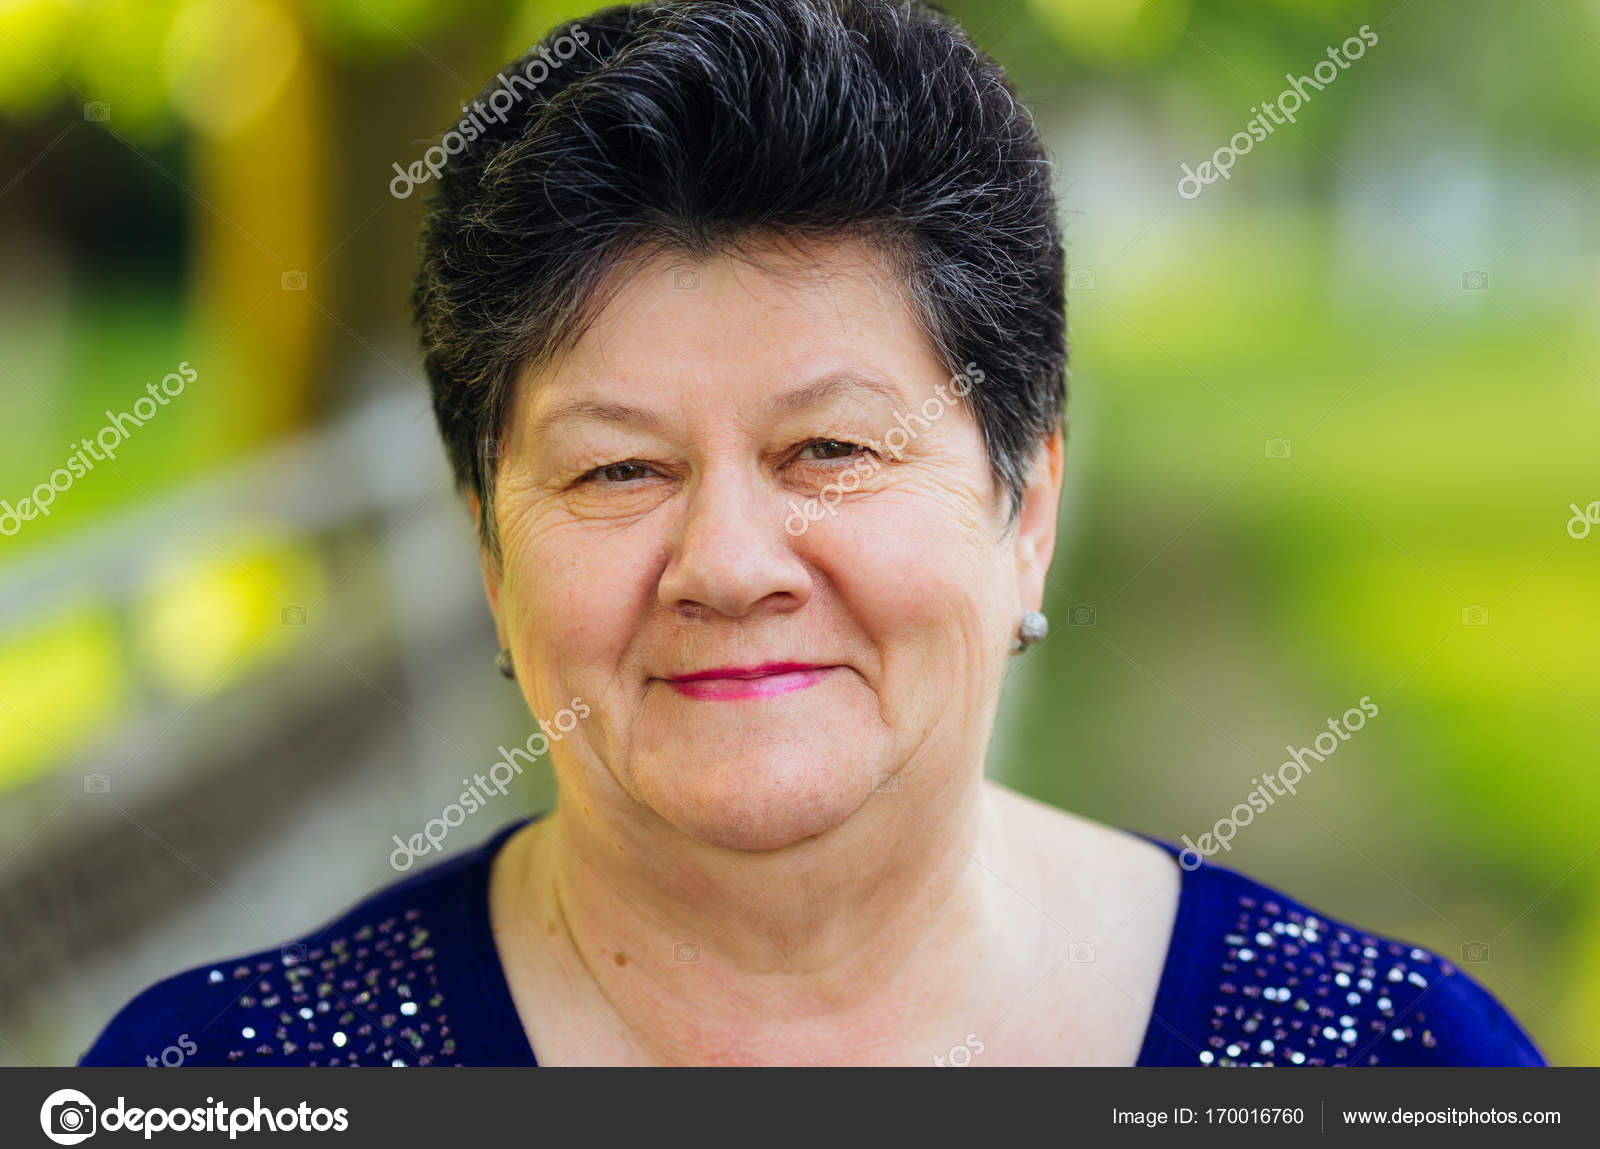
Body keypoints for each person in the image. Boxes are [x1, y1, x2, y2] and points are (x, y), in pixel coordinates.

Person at [81, 0, 1542, 1068]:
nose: (727, 565)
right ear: (490, 553)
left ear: (1026, 508)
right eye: (617, 470)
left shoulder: (1390, 1061)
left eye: (830, 451)